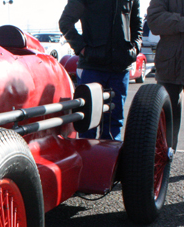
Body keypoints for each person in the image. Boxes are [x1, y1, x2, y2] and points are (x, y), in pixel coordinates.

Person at [59, 0, 142, 140]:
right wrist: (83, 49)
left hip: (120, 68)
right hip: (92, 67)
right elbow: (65, 22)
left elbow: (137, 24)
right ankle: (88, 160)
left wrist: (134, 49)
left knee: (113, 124)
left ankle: (110, 160)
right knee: (87, 121)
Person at [147, 1, 184, 149]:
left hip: (169, 63)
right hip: (170, 65)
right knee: (165, 120)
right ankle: (164, 162)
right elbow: (154, 21)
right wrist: (182, 22)